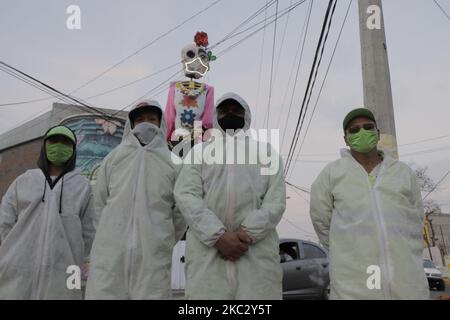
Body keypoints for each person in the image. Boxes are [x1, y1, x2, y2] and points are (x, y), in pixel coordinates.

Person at [174, 92, 286, 299]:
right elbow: (186, 195)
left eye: (236, 111)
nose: (230, 115)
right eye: (224, 111)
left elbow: (276, 200)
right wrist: (218, 236)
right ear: (216, 116)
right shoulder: (199, 153)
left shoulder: (266, 153)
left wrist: (247, 233)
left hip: (256, 258)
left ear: (247, 116)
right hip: (207, 258)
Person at [310, 108, 429, 300]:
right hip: (353, 288)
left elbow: (416, 219)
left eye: (367, 127)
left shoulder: (403, 173)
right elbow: (321, 221)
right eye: (354, 130)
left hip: (407, 285)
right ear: (346, 139)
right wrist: (346, 249)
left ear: (377, 133)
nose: (362, 132)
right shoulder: (331, 174)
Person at [85, 99, 186, 300]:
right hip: (110, 256)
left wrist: (160, 239)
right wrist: (108, 237)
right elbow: (99, 203)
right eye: (139, 119)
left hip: (153, 258)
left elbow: (180, 214)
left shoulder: (173, 163)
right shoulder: (113, 159)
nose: (145, 123)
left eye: (151, 119)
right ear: (131, 125)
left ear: (161, 123)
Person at [0, 125, 96, 299]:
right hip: (17, 271)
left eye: (65, 143)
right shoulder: (24, 181)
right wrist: (10, 255)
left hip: (67, 272)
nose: (59, 146)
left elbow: (89, 233)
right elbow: (4, 222)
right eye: (54, 141)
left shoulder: (82, 186)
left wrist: (81, 274)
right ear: (44, 146)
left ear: (73, 150)